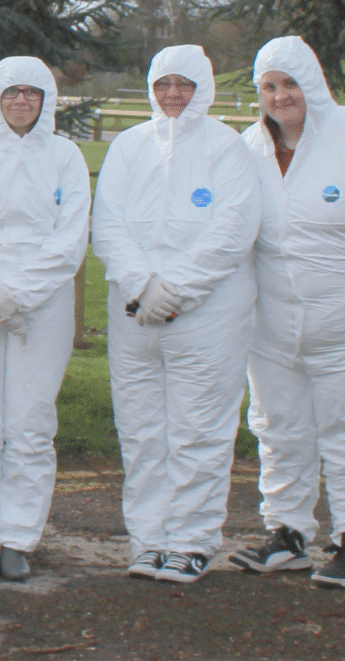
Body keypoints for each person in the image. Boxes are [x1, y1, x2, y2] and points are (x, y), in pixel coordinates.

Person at [91, 44, 260, 584]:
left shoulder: (226, 147)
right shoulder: (130, 145)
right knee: (141, 431)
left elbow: (233, 229)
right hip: (134, 314)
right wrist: (143, 285)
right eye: (163, 84)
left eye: (184, 84)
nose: (173, 94)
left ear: (203, 88)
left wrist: (177, 289)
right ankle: (148, 539)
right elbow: (108, 223)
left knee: (199, 430)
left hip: (208, 315)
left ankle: (191, 540)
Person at [0, 57, 90, 581]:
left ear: (46, 99)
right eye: (11, 93)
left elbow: (71, 235)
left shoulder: (65, 156)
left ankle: (19, 536)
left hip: (43, 303)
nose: (21, 101)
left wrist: (23, 293)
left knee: (30, 420)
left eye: (31, 92)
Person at [227, 36, 345, 588]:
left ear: (313, 83)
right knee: (278, 427)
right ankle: (288, 533)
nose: (281, 96)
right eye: (270, 86)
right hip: (270, 323)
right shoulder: (249, 147)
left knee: (341, 429)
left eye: (291, 83)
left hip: (338, 319)